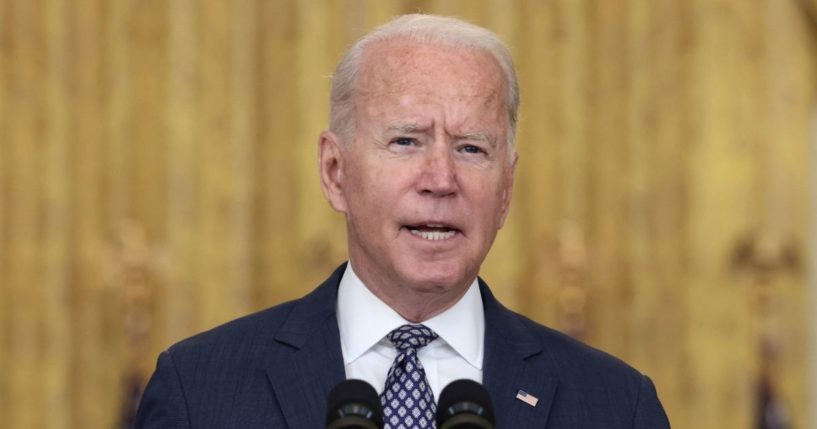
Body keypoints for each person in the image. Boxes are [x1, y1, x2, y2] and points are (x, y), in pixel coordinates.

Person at [135, 14, 670, 428]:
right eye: (406, 141)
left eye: (471, 148)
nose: (440, 178)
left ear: (505, 189)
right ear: (335, 171)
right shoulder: (199, 391)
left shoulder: (615, 405)